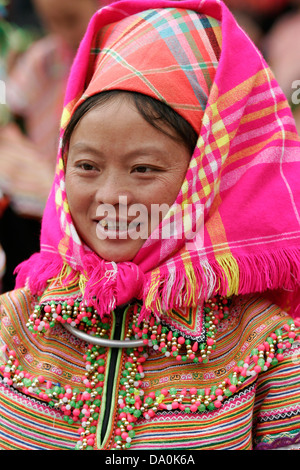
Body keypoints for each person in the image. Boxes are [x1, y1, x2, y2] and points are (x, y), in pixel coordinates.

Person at [0, 0, 300, 451]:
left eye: (143, 169)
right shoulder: (13, 326)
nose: (111, 196)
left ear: (205, 178)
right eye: (86, 166)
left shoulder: (266, 344)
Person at [0, 0, 99, 292]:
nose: (63, 31)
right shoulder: (44, 58)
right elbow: (13, 103)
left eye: (71, 20)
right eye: (53, 22)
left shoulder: (107, 56)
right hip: (46, 166)